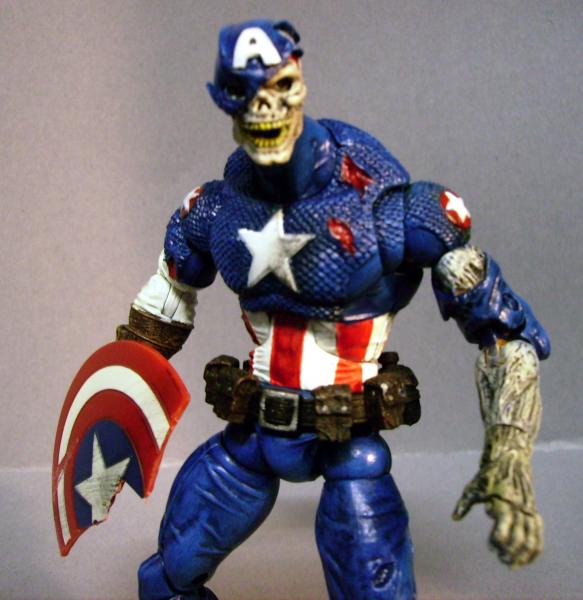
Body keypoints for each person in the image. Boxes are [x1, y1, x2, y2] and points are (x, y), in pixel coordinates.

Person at [112, 19, 550, 600]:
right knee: (168, 578)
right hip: (253, 434)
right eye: (244, 90)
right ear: (223, 99)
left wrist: (509, 451)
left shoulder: (396, 212)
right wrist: (113, 419)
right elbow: (158, 317)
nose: (265, 105)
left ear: (299, 83)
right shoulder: (215, 209)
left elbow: (502, 333)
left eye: (280, 85)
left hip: (349, 446)